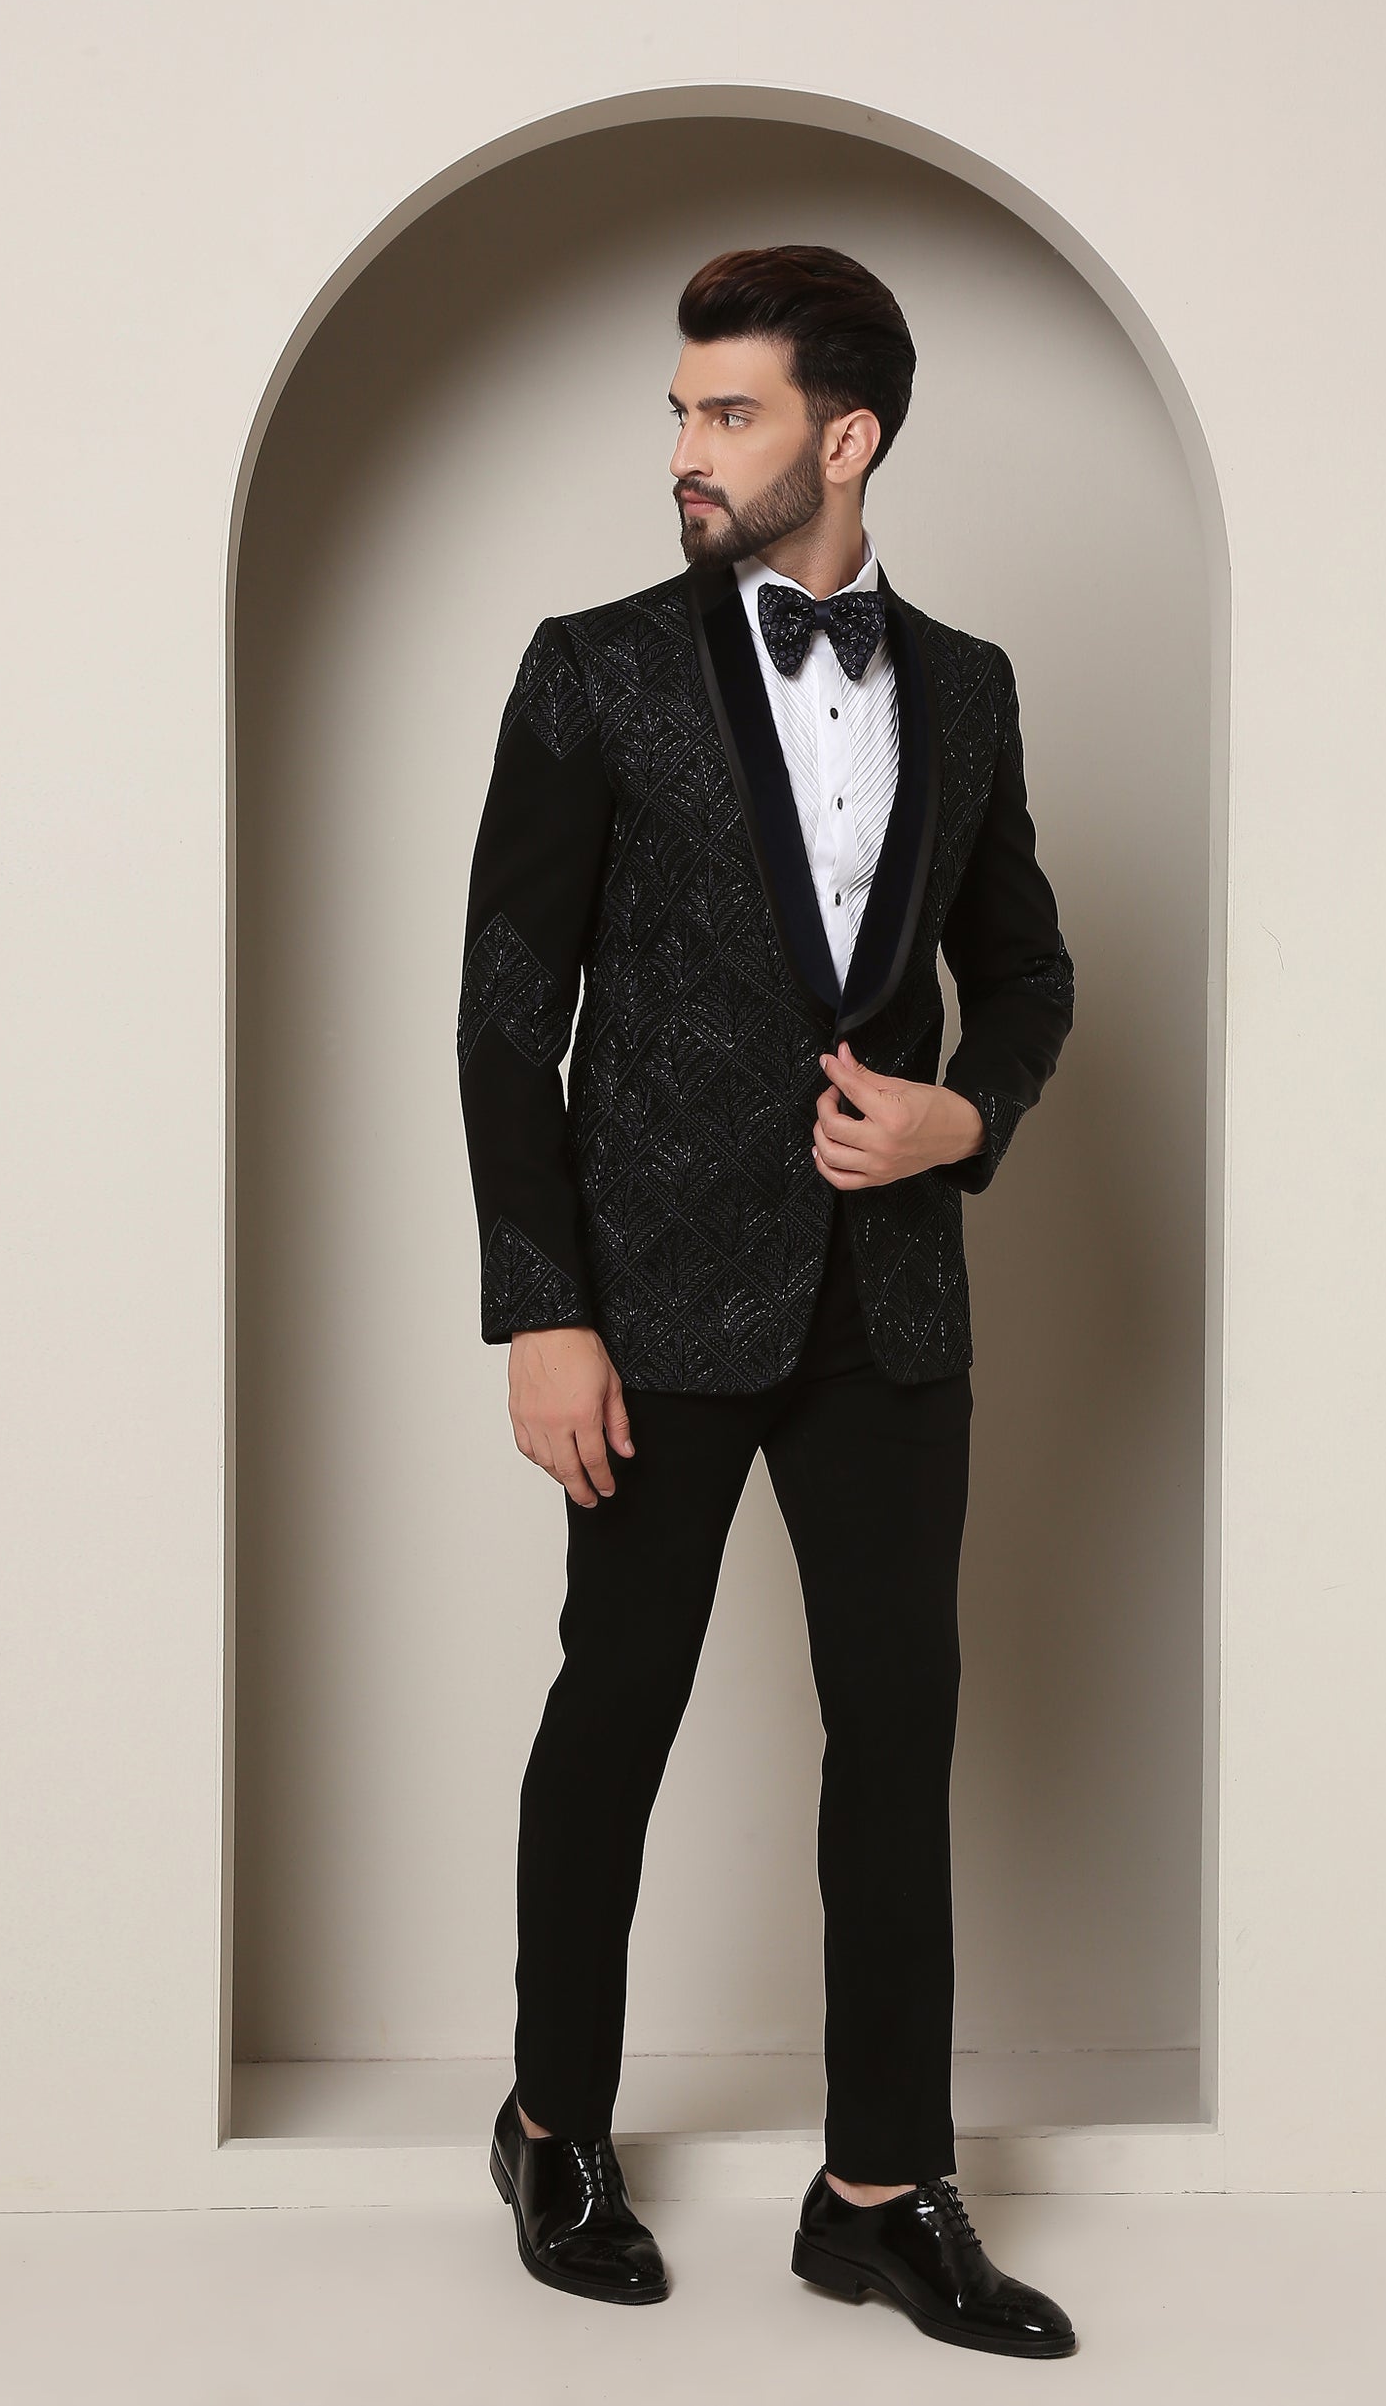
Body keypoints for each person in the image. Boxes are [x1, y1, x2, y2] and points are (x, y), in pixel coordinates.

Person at [457, 242, 1077, 2359]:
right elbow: (503, 1010)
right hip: (645, 1305)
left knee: (897, 1736)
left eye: (727, 413)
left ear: (848, 435)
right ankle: (551, 2123)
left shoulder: (969, 685)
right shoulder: (592, 669)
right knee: (613, 1713)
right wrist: (541, 1307)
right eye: (678, 410)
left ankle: (878, 2191)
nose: (686, 449)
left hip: (887, 1307)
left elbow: (1028, 969)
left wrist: (965, 1117)